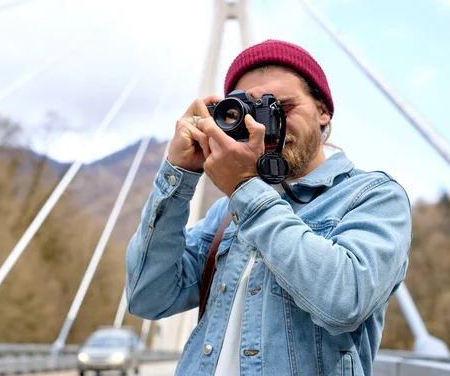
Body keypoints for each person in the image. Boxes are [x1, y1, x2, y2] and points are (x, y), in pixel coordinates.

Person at [125, 39, 411, 376]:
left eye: (283, 107)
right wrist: (179, 174)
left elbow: (344, 300)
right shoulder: (225, 213)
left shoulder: (374, 196)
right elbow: (148, 297)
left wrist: (244, 187)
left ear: (323, 111)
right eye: (248, 112)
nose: (265, 126)